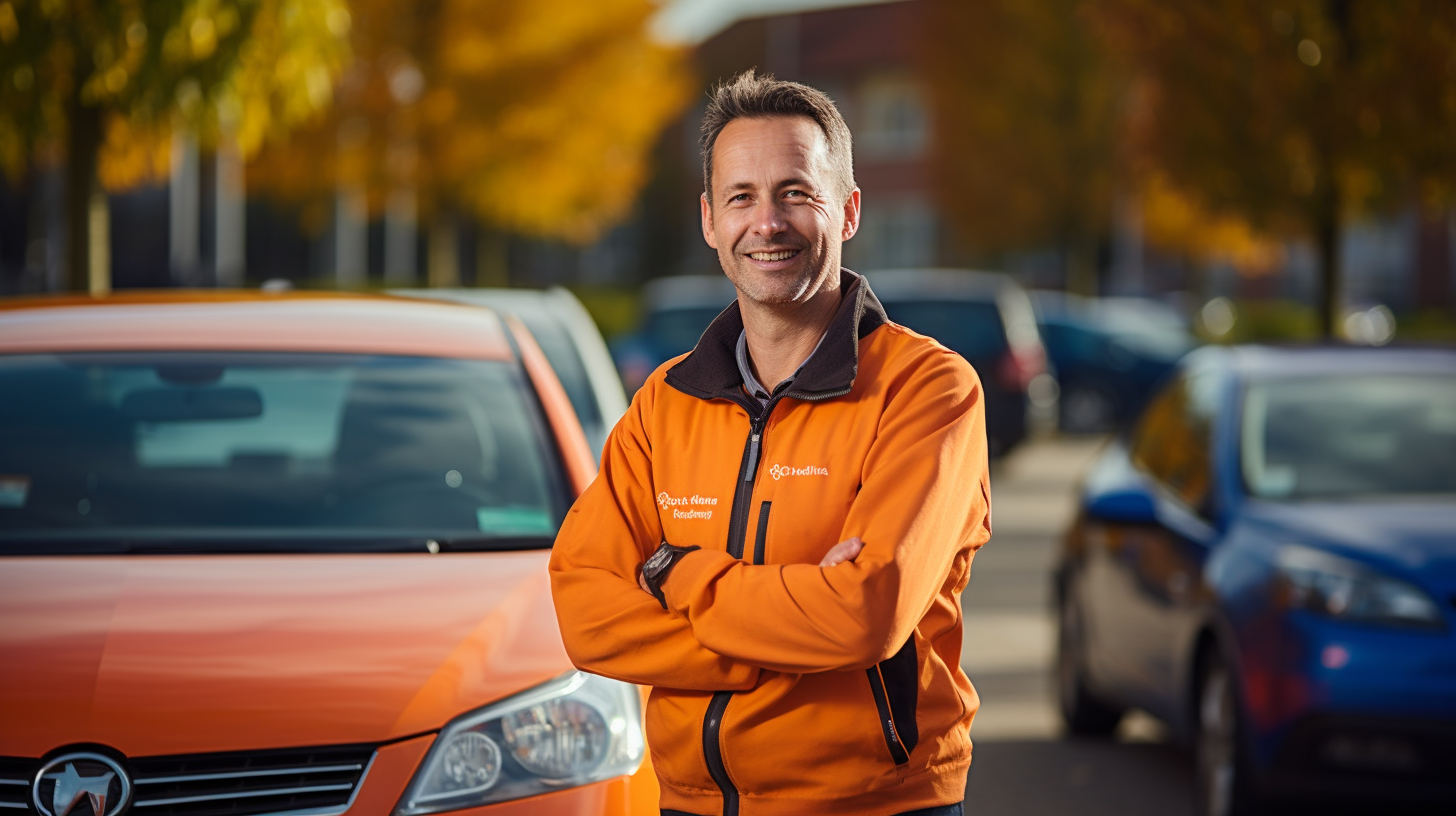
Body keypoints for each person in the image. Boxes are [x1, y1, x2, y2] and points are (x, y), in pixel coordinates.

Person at [548, 70, 991, 816]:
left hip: (872, 804)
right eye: (742, 196)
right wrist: (790, 634)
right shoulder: (666, 403)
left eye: (795, 192)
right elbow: (585, 614)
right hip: (689, 802)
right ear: (709, 221)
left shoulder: (928, 390)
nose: (768, 222)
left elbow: (865, 615)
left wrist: (678, 577)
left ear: (847, 212)